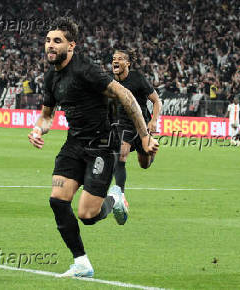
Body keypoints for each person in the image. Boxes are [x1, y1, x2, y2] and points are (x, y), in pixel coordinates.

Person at [28, 18, 159, 278]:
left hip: (102, 144)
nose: (50, 46)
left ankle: (115, 198)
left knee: (87, 215)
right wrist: (37, 129)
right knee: (57, 200)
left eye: (57, 41)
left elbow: (126, 96)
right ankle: (81, 263)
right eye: (47, 40)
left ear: (71, 45)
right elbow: (46, 116)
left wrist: (144, 135)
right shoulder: (51, 77)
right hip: (74, 144)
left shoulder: (86, 70)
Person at [109, 49, 162, 204]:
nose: (115, 61)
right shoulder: (110, 82)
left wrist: (153, 121)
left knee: (144, 164)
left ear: (128, 63)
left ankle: (151, 152)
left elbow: (156, 100)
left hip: (141, 126)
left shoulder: (138, 79)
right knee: (121, 155)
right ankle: (120, 195)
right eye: (113, 58)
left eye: (119, 58)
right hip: (123, 126)